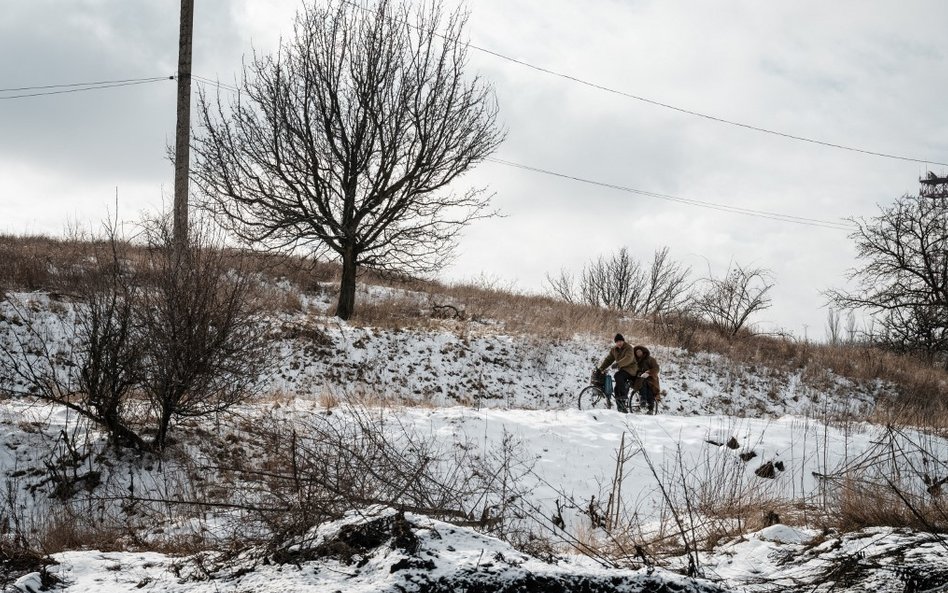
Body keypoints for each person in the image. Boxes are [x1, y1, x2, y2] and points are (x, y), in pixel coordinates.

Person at [596, 334, 636, 413]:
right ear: (615, 343)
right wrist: (601, 368)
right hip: (622, 369)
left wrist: (618, 364)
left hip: (631, 369)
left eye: (620, 341)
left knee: (618, 375)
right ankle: (621, 408)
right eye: (617, 342)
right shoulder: (614, 350)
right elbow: (608, 360)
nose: (619, 343)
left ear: (623, 341)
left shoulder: (629, 348)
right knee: (616, 389)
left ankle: (624, 396)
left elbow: (629, 358)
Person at [632, 345, 660, 415]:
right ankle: (643, 400)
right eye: (636, 352)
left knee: (650, 389)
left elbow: (656, 369)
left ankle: (650, 408)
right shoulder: (635, 361)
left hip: (651, 378)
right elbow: (633, 370)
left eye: (639, 351)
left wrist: (648, 373)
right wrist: (638, 374)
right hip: (640, 379)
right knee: (642, 383)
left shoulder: (650, 359)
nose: (638, 353)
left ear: (643, 351)